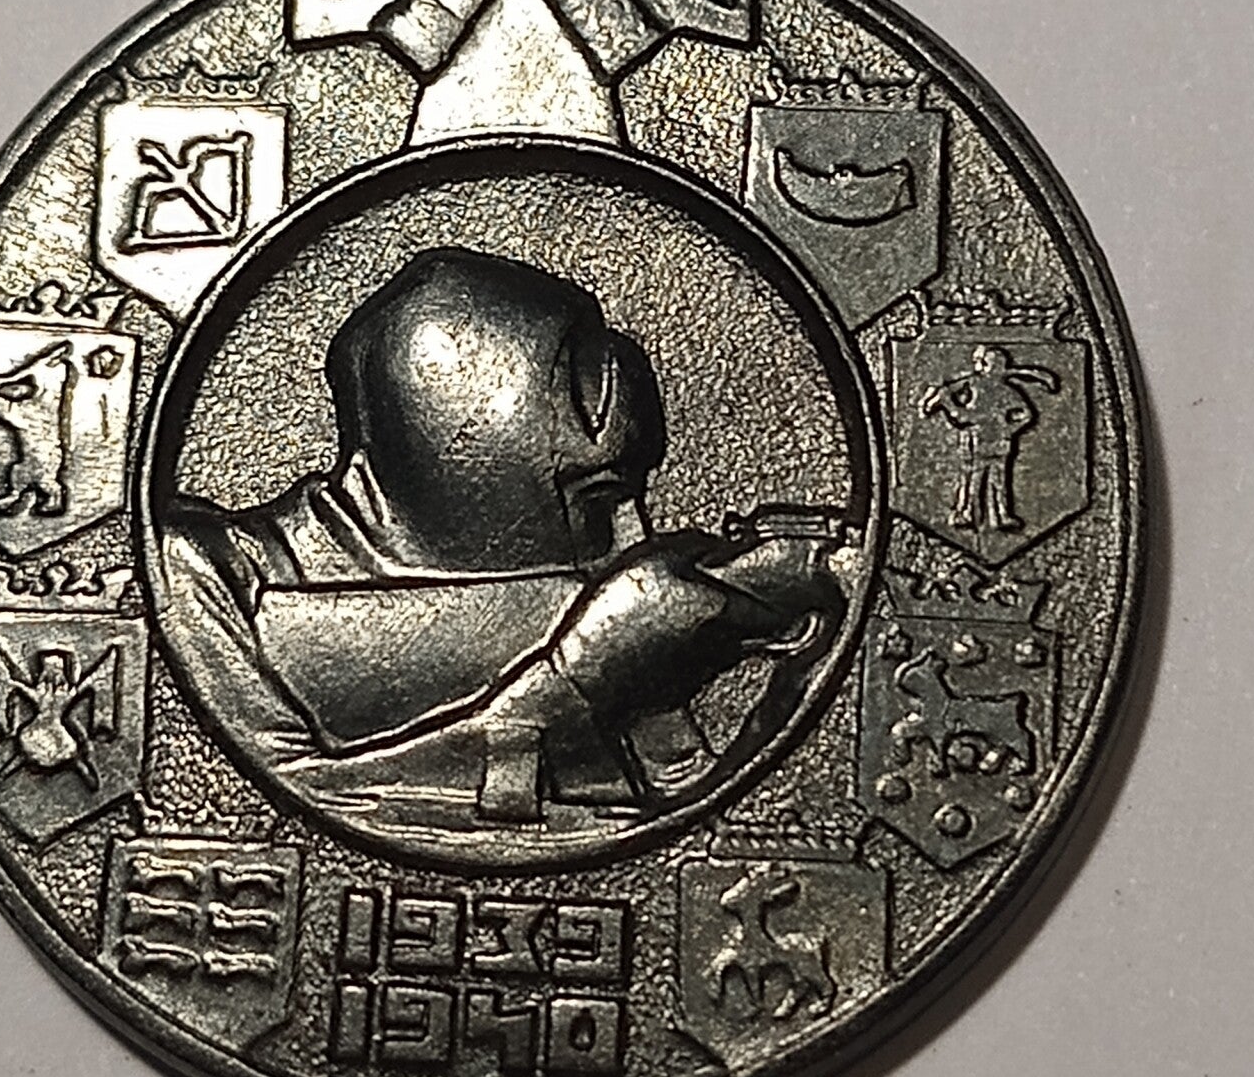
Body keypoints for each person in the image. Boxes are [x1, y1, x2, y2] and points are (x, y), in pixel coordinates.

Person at [159, 247, 841, 835]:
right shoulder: (194, 571)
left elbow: (694, 817)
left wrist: (809, 641)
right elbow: (286, 806)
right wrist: (579, 679)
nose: (636, 538)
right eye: (597, 499)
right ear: (456, 460)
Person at [919, 343, 1061, 535]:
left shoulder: (1005, 391)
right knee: (974, 477)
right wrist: (942, 401)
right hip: (976, 441)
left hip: (998, 441)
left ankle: (1000, 515)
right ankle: (968, 512)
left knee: (995, 479)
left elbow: (1026, 415)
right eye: (994, 364)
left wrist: (1009, 429)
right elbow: (959, 409)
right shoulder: (974, 383)